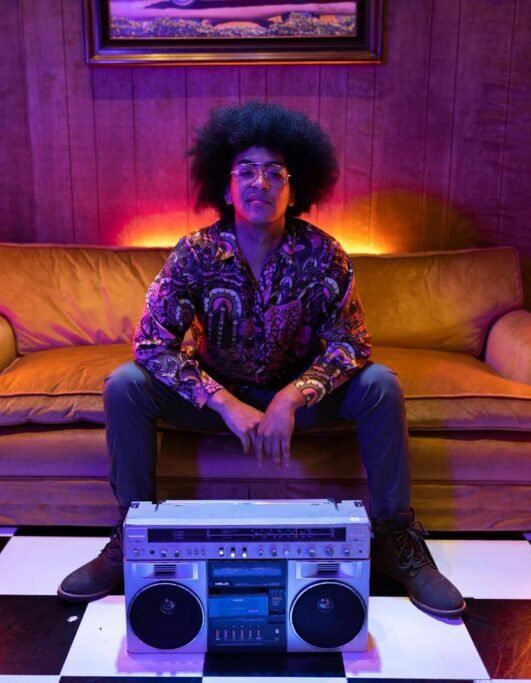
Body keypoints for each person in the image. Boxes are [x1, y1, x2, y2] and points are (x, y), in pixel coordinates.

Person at [58, 102, 465, 618]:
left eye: (276, 172)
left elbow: (352, 343)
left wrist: (293, 398)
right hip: (213, 397)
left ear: (296, 188)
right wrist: (222, 401)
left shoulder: (324, 254)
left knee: (381, 383)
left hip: (295, 395)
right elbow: (151, 344)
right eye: (246, 171)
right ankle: (133, 534)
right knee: (124, 384)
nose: (260, 182)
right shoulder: (196, 253)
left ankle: (395, 541)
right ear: (225, 186)